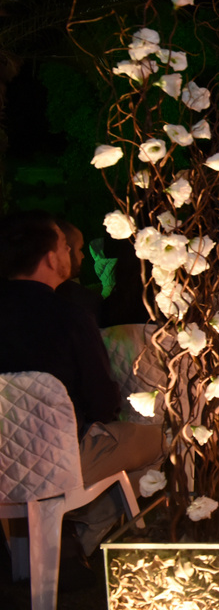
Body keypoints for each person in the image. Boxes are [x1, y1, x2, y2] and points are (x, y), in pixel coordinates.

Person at [0, 211, 164, 558]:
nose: (71, 253)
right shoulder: (70, 317)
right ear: (50, 258)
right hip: (57, 457)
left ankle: (32, 546)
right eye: (64, 246)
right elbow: (102, 401)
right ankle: (87, 531)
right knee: (157, 440)